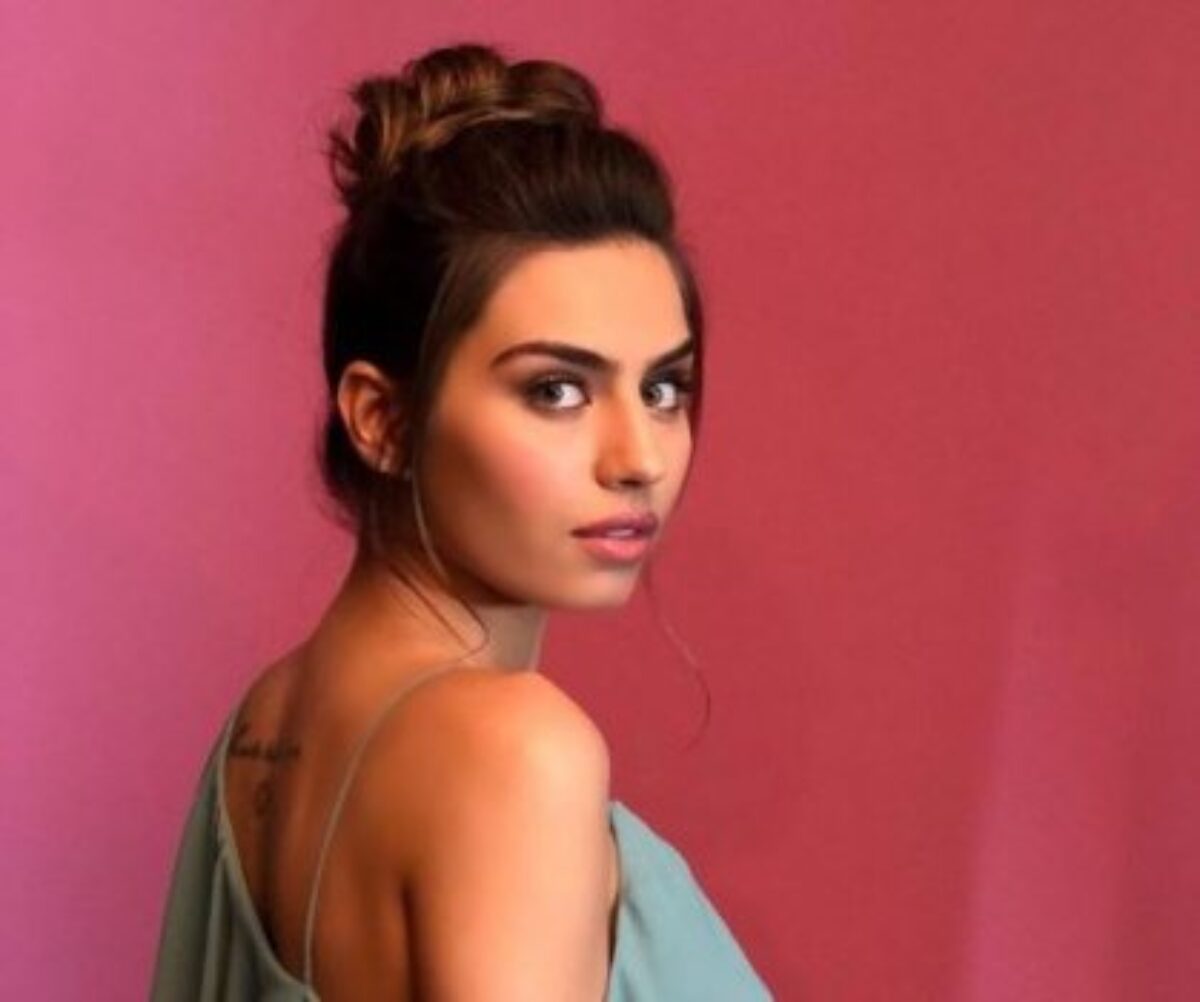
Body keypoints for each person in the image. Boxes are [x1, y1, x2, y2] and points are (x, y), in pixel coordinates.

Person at [150, 42, 772, 1001]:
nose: (639, 457)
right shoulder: (518, 753)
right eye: (557, 389)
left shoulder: (260, 732)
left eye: (662, 388)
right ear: (382, 419)